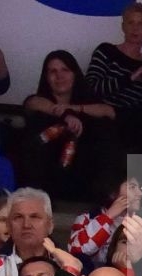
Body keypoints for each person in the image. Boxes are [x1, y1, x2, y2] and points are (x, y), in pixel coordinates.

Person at [17, 51, 119, 202]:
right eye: (53, 71)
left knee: (103, 130)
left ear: (75, 74)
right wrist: (66, 116)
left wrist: (73, 109)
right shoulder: (40, 102)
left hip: (82, 177)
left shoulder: (86, 102)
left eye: (65, 70)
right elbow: (31, 103)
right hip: (47, 177)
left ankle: (107, 196)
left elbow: (109, 112)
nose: (59, 76)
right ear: (46, 77)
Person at [84, 4, 142, 154]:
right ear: (123, 26)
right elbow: (91, 88)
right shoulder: (106, 51)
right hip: (104, 116)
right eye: (131, 23)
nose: (135, 28)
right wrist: (130, 78)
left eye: (141, 24)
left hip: (132, 121)